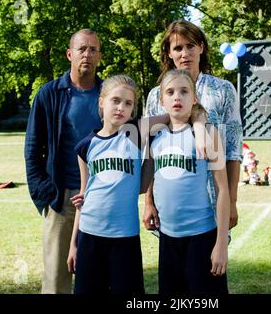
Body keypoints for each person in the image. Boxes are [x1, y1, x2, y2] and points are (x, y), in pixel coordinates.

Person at [66, 75, 208, 294]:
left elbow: (181, 112)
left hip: (125, 236)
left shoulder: (136, 132)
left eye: (128, 103)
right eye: (115, 100)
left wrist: (199, 126)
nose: (121, 107)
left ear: (133, 109)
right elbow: (83, 198)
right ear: (101, 101)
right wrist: (74, 244)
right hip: (89, 235)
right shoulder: (86, 146)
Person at [144, 20, 242, 233]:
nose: (185, 53)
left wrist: (232, 201)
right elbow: (150, 153)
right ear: (169, 53)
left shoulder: (223, 90)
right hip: (171, 207)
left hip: (213, 200)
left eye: (190, 46)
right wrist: (149, 202)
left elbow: (233, 150)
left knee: (212, 264)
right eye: (178, 48)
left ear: (201, 47)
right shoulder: (156, 96)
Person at [24, 28, 103, 294]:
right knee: (57, 282)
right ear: (70, 54)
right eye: (82, 49)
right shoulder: (49, 94)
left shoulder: (109, 96)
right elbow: (33, 149)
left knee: (96, 280)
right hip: (62, 198)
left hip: (101, 199)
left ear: (99, 56)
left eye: (93, 50)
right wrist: (46, 195)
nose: (87, 55)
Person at [149, 69, 230, 293]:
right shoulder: (155, 135)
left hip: (202, 237)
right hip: (167, 238)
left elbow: (222, 190)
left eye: (184, 91)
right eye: (170, 92)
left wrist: (221, 244)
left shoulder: (207, 134)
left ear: (194, 98)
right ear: (161, 99)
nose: (177, 97)